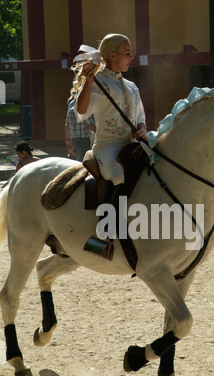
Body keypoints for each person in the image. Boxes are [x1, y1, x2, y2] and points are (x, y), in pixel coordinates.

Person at [72, 33, 147, 250]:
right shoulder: (97, 83)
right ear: (113, 56)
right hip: (108, 145)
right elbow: (81, 111)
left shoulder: (132, 86)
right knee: (117, 174)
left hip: (132, 144)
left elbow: (140, 117)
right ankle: (103, 234)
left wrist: (141, 130)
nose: (132, 57)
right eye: (127, 53)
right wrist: (88, 81)